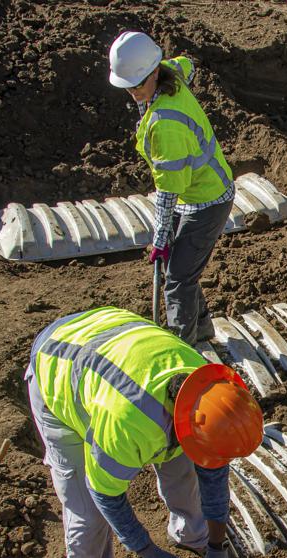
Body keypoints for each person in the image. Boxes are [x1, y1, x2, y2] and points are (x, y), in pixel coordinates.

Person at [24, 306, 263, 558]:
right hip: (58, 368)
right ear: (185, 425)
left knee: (185, 472)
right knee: (87, 516)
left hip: (111, 335)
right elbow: (105, 493)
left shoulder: (209, 388)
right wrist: (147, 551)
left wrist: (216, 545)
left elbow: (212, 473)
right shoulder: (128, 425)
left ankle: (191, 536)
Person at [108, 31, 235, 343]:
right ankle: (202, 330)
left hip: (207, 199)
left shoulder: (166, 126)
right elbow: (187, 65)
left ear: (154, 73)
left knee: (177, 279)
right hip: (194, 190)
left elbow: (168, 192)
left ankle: (184, 349)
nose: (133, 92)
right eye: (128, 86)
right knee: (179, 270)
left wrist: (160, 237)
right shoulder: (171, 72)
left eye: (138, 85)